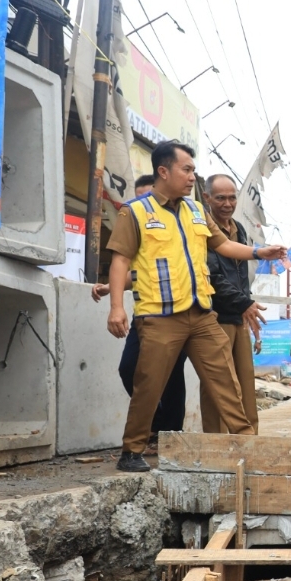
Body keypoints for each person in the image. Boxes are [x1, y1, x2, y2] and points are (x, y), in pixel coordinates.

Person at [104, 141, 286, 472]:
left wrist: (260, 252)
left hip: (201, 315)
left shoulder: (197, 212)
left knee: (225, 381)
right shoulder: (136, 212)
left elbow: (225, 245)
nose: (192, 177)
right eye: (186, 169)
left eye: (193, 170)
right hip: (159, 316)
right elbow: (120, 261)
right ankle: (132, 450)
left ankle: (247, 444)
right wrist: (116, 306)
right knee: (149, 384)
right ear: (164, 171)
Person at [91, 172, 189, 455]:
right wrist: (113, 289)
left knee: (171, 375)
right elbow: (131, 268)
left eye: (150, 196)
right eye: (141, 197)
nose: (146, 203)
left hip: (177, 311)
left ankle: (169, 435)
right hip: (145, 313)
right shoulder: (135, 224)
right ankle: (157, 426)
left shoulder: (173, 227)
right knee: (129, 368)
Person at [202, 174, 264, 434]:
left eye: (232, 197)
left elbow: (242, 276)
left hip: (239, 316)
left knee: (246, 382)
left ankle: (251, 440)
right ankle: (215, 443)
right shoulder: (203, 228)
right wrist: (243, 303)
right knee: (217, 384)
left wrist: (245, 307)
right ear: (207, 198)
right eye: (220, 198)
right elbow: (213, 276)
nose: (227, 203)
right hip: (215, 318)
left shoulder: (238, 227)